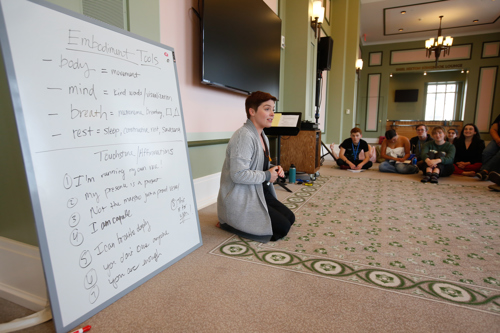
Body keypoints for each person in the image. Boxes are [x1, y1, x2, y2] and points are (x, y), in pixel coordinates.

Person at [217, 91, 295, 243]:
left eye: (273, 108)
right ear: (252, 111)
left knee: (290, 218)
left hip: (259, 191)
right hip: (241, 197)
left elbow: (259, 164)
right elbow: (238, 174)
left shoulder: (262, 135)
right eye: (267, 109)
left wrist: (273, 168)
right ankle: (226, 223)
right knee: (281, 228)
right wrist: (267, 175)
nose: (272, 113)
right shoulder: (244, 136)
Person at [476, 114, 500, 180]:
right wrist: (498, 139)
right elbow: (493, 129)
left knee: (498, 155)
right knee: (487, 152)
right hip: (497, 138)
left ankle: (485, 171)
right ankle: (489, 174)